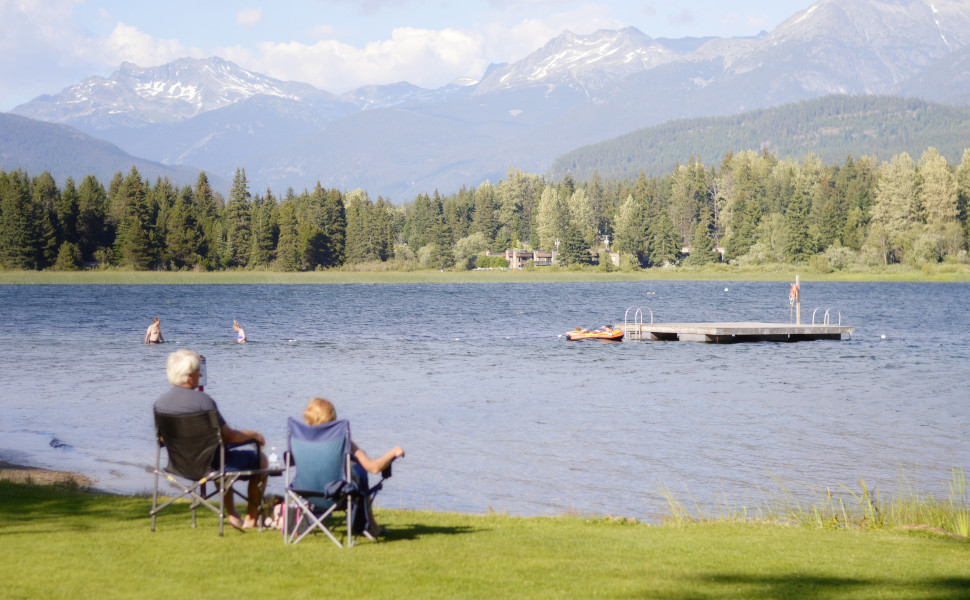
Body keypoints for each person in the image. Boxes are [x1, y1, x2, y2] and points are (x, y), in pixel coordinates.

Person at [154, 349, 267, 530]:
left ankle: (232, 514)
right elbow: (228, 437)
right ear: (189, 376)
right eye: (198, 371)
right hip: (210, 465)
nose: (200, 374)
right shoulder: (204, 402)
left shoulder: (161, 403)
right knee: (261, 460)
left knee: (217, 456)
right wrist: (253, 435)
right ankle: (251, 519)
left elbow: (161, 439)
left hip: (179, 465)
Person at [302, 397, 404, 538]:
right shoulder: (342, 442)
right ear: (332, 418)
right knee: (359, 473)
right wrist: (393, 452)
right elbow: (374, 467)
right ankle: (372, 528)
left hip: (309, 494)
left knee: (354, 470)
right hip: (337, 497)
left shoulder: (302, 441)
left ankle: (318, 517)